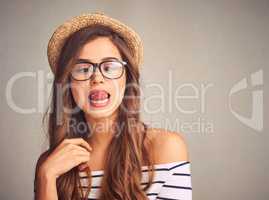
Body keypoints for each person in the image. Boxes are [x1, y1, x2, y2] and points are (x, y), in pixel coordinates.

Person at [34, 12, 192, 200]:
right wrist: (46, 177)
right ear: (68, 84)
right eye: (83, 69)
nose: (97, 78)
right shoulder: (49, 165)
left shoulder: (166, 148)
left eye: (109, 67)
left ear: (127, 78)